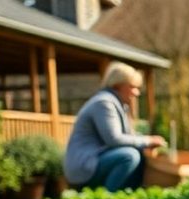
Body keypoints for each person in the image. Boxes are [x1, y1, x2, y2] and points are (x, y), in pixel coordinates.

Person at [64, 62, 165, 191]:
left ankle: (131, 196)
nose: (137, 93)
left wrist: (147, 144)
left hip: (97, 160)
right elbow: (114, 139)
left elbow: (129, 137)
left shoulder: (117, 104)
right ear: (118, 86)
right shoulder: (104, 103)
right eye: (132, 87)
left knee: (138, 152)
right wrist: (148, 141)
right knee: (129, 156)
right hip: (84, 166)